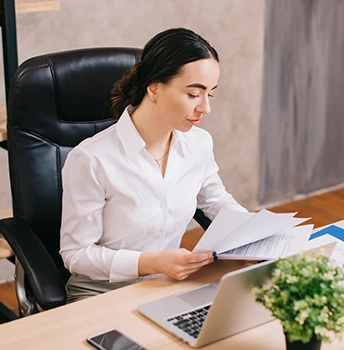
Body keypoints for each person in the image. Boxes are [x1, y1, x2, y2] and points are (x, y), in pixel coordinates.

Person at [60, 28, 247, 303]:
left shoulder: (198, 144)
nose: (205, 108)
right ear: (155, 88)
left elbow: (217, 202)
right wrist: (153, 263)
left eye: (211, 94)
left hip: (167, 286)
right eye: (194, 94)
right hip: (102, 294)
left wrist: (257, 231)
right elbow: (76, 254)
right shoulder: (91, 159)